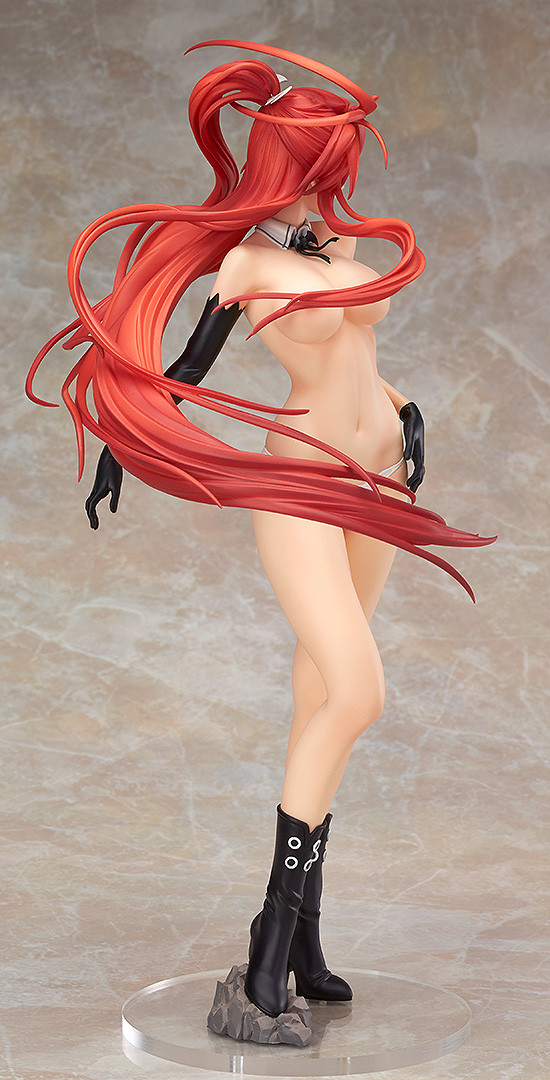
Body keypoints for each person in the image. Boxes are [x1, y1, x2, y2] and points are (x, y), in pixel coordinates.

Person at [27, 40, 495, 1026]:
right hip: (303, 488)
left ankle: (308, 937)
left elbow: (359, 363)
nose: (336, 184)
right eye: (323, 164)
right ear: (290, 162)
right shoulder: (245, 263)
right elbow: (183, 372)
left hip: (378, 478)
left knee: (319, 696)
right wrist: (123, 439)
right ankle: (269, 940)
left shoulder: (336, 249)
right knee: (357, 691)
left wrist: (404, 411)